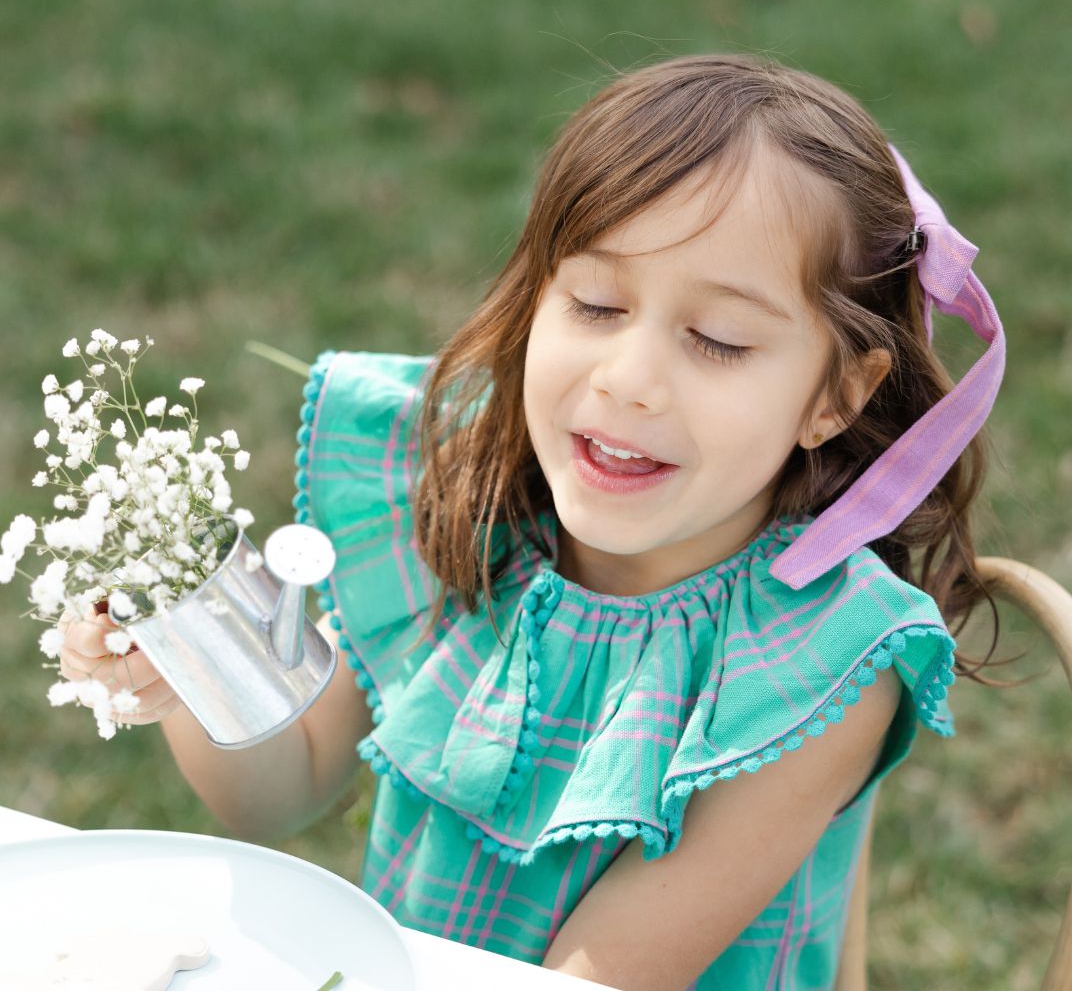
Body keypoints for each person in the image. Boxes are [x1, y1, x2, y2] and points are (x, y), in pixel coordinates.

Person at [59, 54, 1005, 990]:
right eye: (596, 303)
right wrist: (189, 679)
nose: (627, 380)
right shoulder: (476, 509)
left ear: (835, 396)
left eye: (717, 338)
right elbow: (284, 788)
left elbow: (590, 980)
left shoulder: (818, 661)